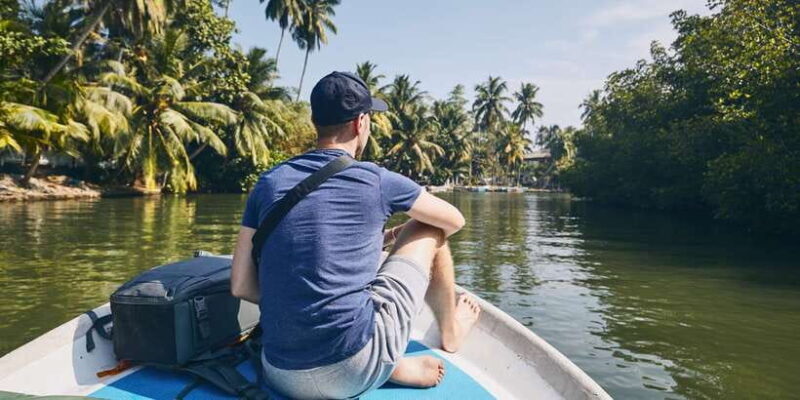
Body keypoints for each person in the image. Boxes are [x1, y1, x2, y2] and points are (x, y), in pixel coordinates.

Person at [230, 71, 480, 399]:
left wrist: (386, 237)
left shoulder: (268, 183)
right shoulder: (376, 179)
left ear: (315, 121)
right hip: (352, 367)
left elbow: (241, 285)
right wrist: (406, 231)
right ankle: (448, 333)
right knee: (430, 226)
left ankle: (384, 361)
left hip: (279, 372)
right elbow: (454, 221)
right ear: (361, 123)